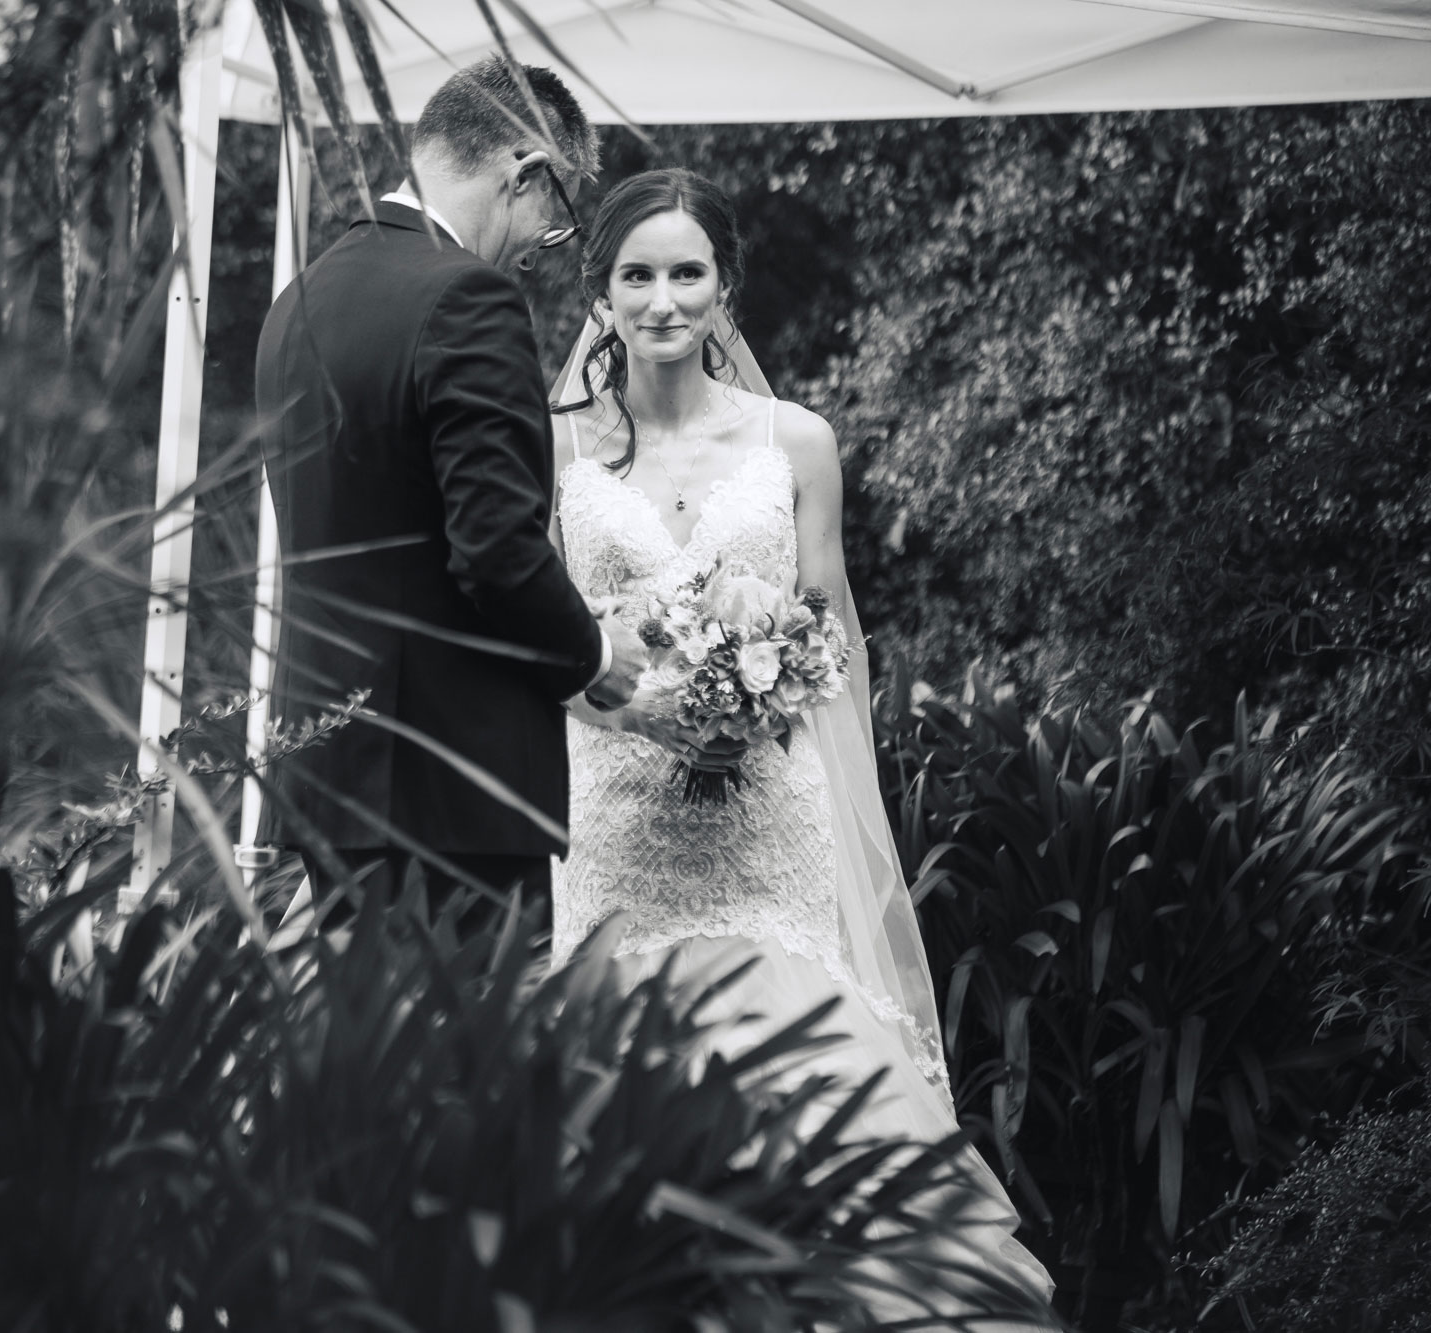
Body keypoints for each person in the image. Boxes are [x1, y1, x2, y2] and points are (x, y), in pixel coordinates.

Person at [547, 167, 1057, 1319]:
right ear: (603, 291)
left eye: (686, 272)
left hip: (764, 837)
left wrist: (774, 709)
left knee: (823, 1124)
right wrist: (617, 704)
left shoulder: (797, 442)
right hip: (614, 840)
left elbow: (828, 627)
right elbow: (535, 645)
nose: (662, 299)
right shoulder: (556, 451)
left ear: (725, 284)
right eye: (637, 274)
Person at [253, 57, 647, 935]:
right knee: (469, 1065)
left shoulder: (303, 294)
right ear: (524, 171)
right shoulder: (468, 297)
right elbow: (497, 553)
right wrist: (592, 651)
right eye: (556, 219)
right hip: (447, 787)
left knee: (374, 1066)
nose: (543, 249)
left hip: (328, 771)